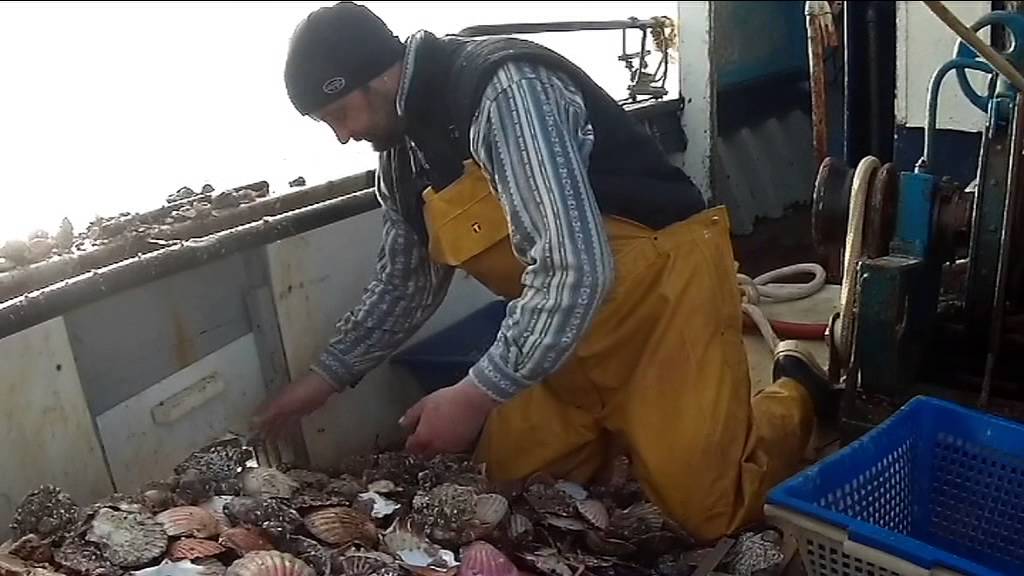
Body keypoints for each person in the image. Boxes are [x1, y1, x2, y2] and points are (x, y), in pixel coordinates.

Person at [254, 1, 838, 542]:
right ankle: (618, 431)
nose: (343, 135)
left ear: (375, 73)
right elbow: (405, 284)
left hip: (662, 301)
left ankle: (795, 394)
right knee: (503, 494)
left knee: (711, 510)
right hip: (562, 341)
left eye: (339, 113)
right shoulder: (400, 158)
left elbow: (573, 271)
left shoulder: (500, 90)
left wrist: (474, 393)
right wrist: (323, 379)